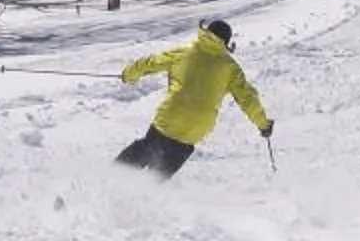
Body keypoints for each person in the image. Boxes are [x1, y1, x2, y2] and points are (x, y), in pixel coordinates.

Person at [113, 16, 272, 179]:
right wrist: (263, 125)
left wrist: (128, 74)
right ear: (226, 42)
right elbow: (247, 98)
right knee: (160, 172)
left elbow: (151, 62)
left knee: (147, 148)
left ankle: (113, 177)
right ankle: (144, 194)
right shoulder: (230, 67)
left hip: (171, 117)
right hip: (196, 128)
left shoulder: (185, 53)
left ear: (206, 33)